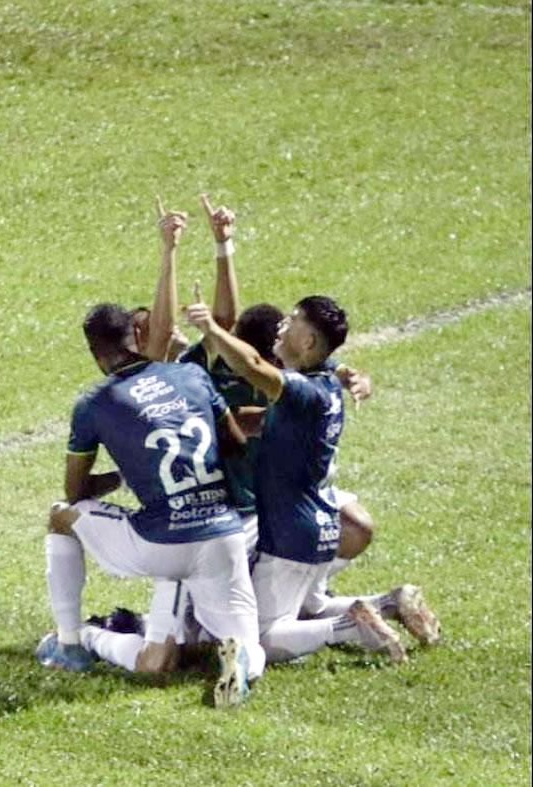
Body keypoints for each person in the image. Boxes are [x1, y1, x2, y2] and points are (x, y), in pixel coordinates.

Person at [36, 204, 266, 708]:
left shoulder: (94, 403)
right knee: (249, 642)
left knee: (60, 516)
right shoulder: (193, 375)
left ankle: (71, 643)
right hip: (225, 532)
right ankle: (241, 663)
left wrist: (122, 473)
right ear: (137, 338)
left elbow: (76, 493)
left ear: (98, 355)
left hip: (162, 542)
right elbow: (233, 442)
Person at [183, 294, 437, 664]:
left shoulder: (302, 391)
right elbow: (262, 416)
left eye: (293, 319)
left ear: (308, 342)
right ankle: (389, 603)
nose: (283, 325)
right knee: (310, 605)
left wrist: (211, 329)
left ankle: (352, 627)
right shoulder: (325, 382)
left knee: (260, 638)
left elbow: (254, 364)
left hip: (290, 533)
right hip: (317, 525)